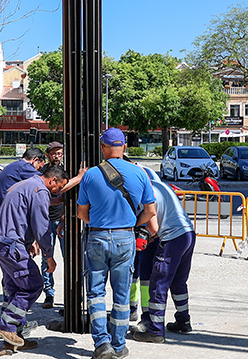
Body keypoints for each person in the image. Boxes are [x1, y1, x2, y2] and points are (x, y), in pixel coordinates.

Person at [77, 128, 156, 359]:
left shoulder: (91, 174)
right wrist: (131, 223)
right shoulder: (140, 173)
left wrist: (100, 222)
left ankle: (102, 344)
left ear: (102, 147)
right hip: (125, 238)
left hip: (97, 237)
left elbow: (82, 214)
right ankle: (119, 346)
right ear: (124, 147)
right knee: (121, 296)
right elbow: (150, 211)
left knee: (95, 293)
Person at [0, 163, 68, 350]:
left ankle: (13, 338)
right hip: (11, 244)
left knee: (15, 289)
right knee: (33, 285)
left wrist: (27, 241)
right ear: (53, 179)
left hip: (1, 242)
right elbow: (42, 227)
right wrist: (49, 255)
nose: (59, 192)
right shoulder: (40, 191)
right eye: (60, 187)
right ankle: (5, 325)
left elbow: (22, 216)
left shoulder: (24, 185)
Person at [131, 166, 196, 342]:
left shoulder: (147, 193)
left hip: (172, 239)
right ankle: (183, 320)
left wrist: (137, 227)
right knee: (178, 282)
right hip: (188, 233)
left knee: (158, 284)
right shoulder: (162, 186)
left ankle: (155, 331)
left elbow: (153, 228)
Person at [40, 141, 87, 309]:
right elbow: (57, 191)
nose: (57, 156)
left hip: (63, 220)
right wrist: (77, 179)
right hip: (46, 221)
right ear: (48, 155)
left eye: (60, 153)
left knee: (71, 258)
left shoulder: (67, 171)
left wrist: (64, 217)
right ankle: (49, 293)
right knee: (47, 258)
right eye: (54, 153)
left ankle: (73, 295)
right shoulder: (44, 173)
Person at [0, 147, 46, 220]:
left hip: (0, 215)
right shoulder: (24, 167)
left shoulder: (15, 165)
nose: (37, 171)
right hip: (7, 218)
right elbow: (46, 182)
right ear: (35, 160)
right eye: (39, 168)